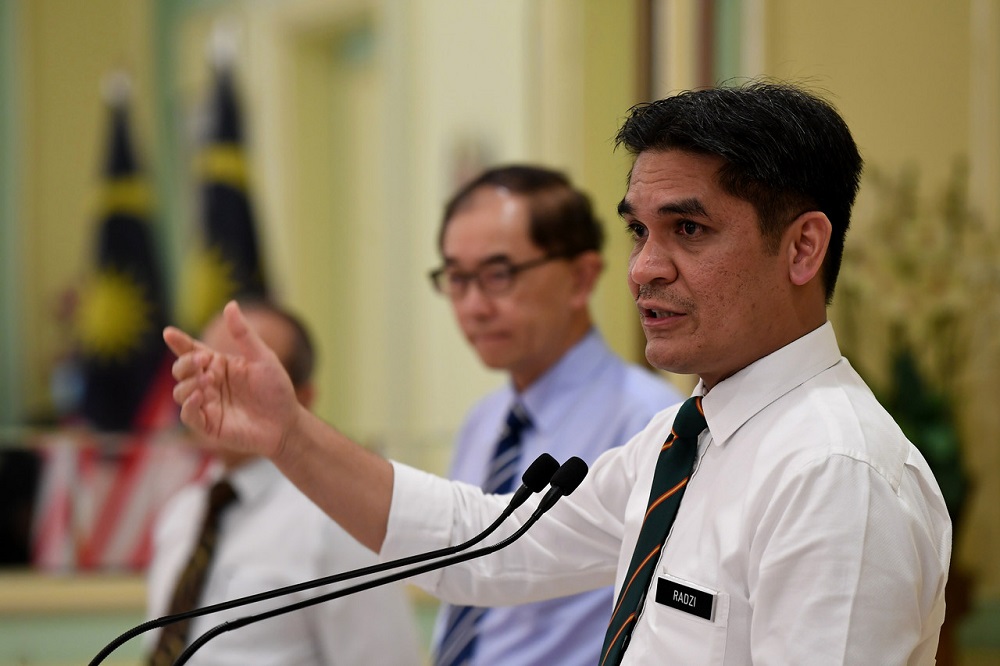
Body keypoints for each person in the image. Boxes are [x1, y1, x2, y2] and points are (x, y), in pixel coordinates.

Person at [165, 81, 952, 665]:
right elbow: (481, 548)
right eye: (640, 231)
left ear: (803, 248)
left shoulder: (834, 472)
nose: (645, 268)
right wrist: (288, 433)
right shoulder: (681, 440)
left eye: (688, 229)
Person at [425, 165, 683, 665]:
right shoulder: (486, 421)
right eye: (457, 279)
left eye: (498, 276)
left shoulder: (647, 423)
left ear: (580, 278)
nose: (473, 306)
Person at [147, 300, 421, 666]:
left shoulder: (338, 521)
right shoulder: (182, 513)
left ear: (302, 400)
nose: (213, 386)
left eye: (238, 374)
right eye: (203, 367)